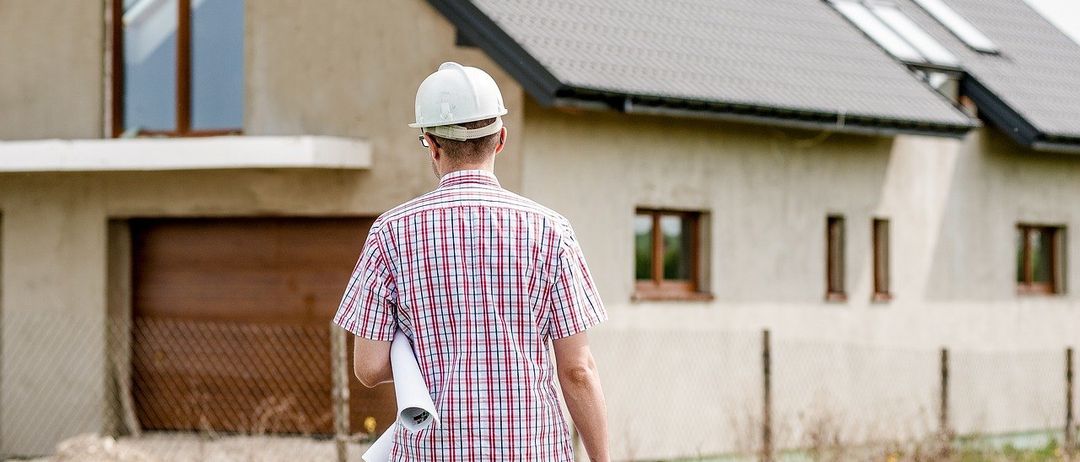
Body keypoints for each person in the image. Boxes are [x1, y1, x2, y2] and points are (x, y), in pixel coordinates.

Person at [333, 62, 610, 461]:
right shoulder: (551, 231)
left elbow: (369, 366)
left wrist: (431, 353)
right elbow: (578, 371)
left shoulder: (390, 233)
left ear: (431, 143)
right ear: (500, 138)